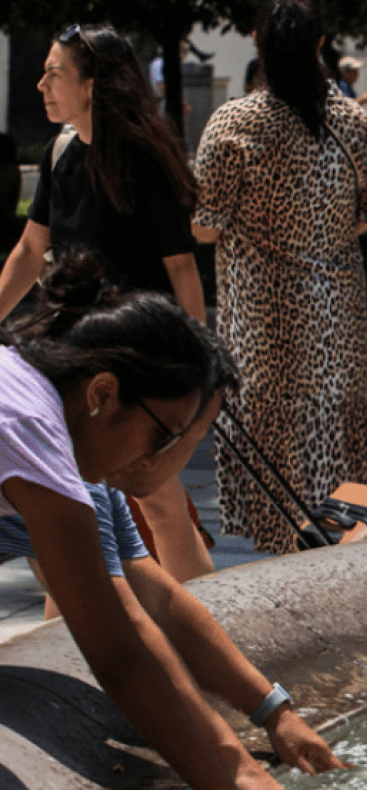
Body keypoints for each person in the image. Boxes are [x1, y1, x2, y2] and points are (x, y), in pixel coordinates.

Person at [0, 247, 344, 788]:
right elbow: (118, 656)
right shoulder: (29, 431)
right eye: (167, 434)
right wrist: (229, 777)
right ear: (104, 393)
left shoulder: (67, 449)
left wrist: (271, 715)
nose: (168, 461)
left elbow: (150, 598)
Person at [0, 23, 214, 583]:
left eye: (55, 72)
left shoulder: (145, 158)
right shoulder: (61, 152)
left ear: (93, 85)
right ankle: (73, 629)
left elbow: (181, 266)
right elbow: (30, 250)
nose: (41, 84)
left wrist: (200, 366)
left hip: (134, 359)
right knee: (61, 495)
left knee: (160, 502)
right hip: (67, 357)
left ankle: (209, 615)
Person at [194, 0, 367, 554]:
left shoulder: (234, 123)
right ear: (319, 44)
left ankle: (284, 546)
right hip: (336, 315)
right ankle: (349, 528)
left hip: (263, 315)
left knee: (274, 441)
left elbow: (205, 227)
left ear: (259, 43)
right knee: (338, 423)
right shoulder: (358, 124)